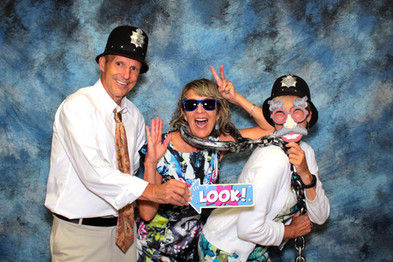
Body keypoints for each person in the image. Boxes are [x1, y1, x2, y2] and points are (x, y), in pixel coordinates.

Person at [44, 25, 189, 262]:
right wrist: (156, 191)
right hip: (81, 236)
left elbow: (132, 176)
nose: (126, 75)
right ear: (102, 63)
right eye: (119, 64)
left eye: (134, 68)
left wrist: (151, 162)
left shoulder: (134, 116)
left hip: (124, 234)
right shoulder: (77, 107)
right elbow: (95, 173)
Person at [135, 74, 275, 261]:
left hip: (193, 250)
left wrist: (235, 98)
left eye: (208, 105)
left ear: (218, 112)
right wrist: (151, 163)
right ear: (184, 114)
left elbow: (270, 129)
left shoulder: (217, 145)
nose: (200, 111)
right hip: (154, 251)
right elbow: (146, 214)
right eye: (191, 105)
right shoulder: (162, 146)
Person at [198, 74, 330, 262]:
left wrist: (306, 175)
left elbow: (320, 217)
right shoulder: (273, 160)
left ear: (308, 116)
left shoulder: (306, 153)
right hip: (225, 247)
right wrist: (291, 231)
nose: (290, 123)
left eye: (298, 112)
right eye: (281, 114)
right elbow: (248, 228)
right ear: (274, 120)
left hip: (255, 247)